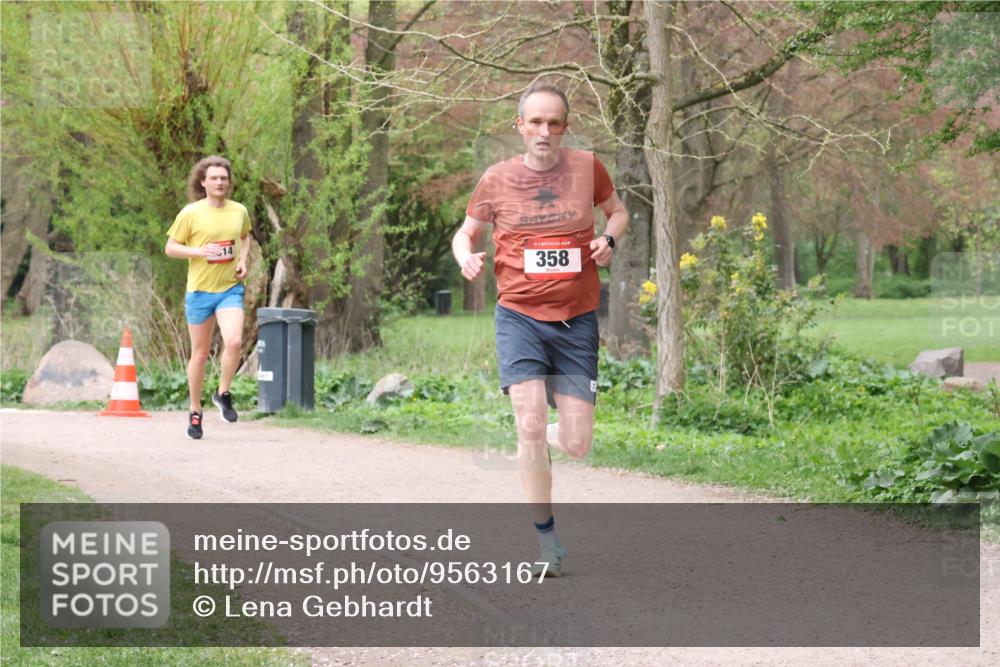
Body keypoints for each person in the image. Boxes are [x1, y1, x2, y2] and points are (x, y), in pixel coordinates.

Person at [452, 82, 628, 576]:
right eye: (535, 122)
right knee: (528, 423)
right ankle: (546, 541)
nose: (544, 131)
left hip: (575, 323)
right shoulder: (496, 178)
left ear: (564, 127)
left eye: (554, 122)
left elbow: (618, 211)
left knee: (576, 444)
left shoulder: (588, 167)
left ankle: (540, 437)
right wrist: (467, 258)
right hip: (520, 317)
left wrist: (607, 238)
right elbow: (465, 234)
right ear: (520, 126)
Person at [165, 156, 251, 439]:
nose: (219, 182)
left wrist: (243, 260)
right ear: (203, 182)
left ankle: (223, 392)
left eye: (224, 178)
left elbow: (245, 236)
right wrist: (199, 252)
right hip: (200, 291)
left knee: (235, 341)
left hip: (229, 289)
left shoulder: (239, 211)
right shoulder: (191, 213)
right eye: (214, 178)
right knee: (200, 355)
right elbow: (171, 248)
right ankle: (194, 410)